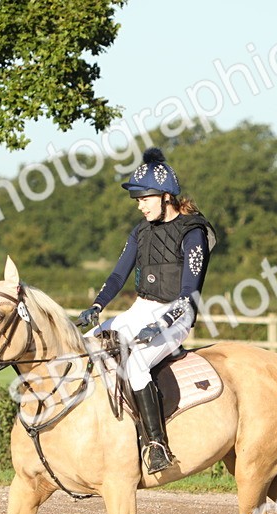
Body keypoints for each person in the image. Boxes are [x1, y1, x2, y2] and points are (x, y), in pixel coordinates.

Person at [76, 147, 217, 474]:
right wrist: (97, 306)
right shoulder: (141, 232)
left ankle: (156, 445)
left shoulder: (193, 233)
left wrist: (163, 324)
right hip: (141, 309)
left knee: (137, 363)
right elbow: (117, 274)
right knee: (84, 345)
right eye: (138, 200)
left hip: (177, 315)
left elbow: (189, 292)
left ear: (165, 197)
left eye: (144, 199)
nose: (139, 205)